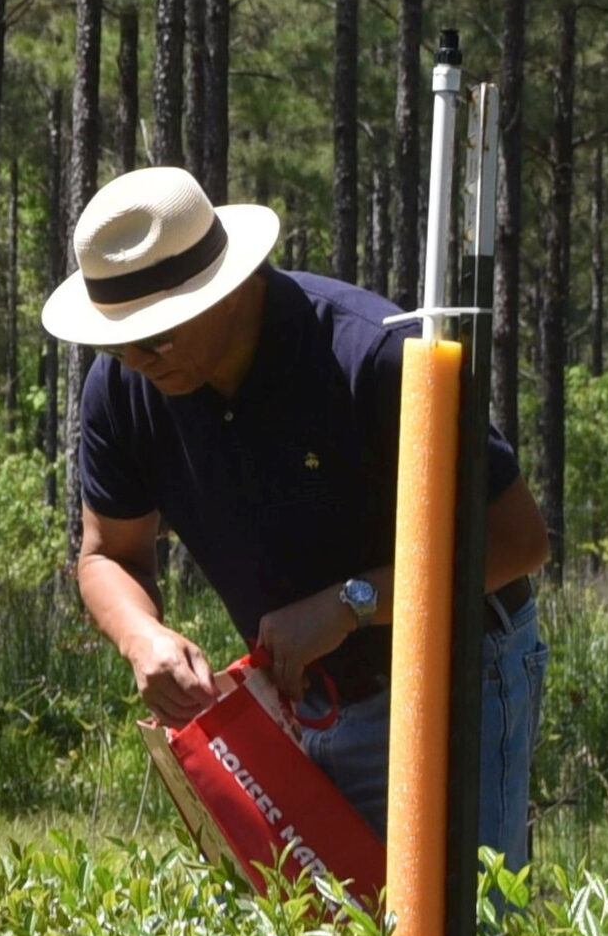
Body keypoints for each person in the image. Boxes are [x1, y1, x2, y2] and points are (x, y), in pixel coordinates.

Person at [43, 166, 551, 875]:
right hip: (292, 706)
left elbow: (517, 543)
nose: (135, 358)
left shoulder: (371, 355)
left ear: (229, 287)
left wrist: (351, 603)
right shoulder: (129, 386)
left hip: (448, 674)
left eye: (156, 335)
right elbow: (107, 556)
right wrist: (142, 636)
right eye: (117, 340)